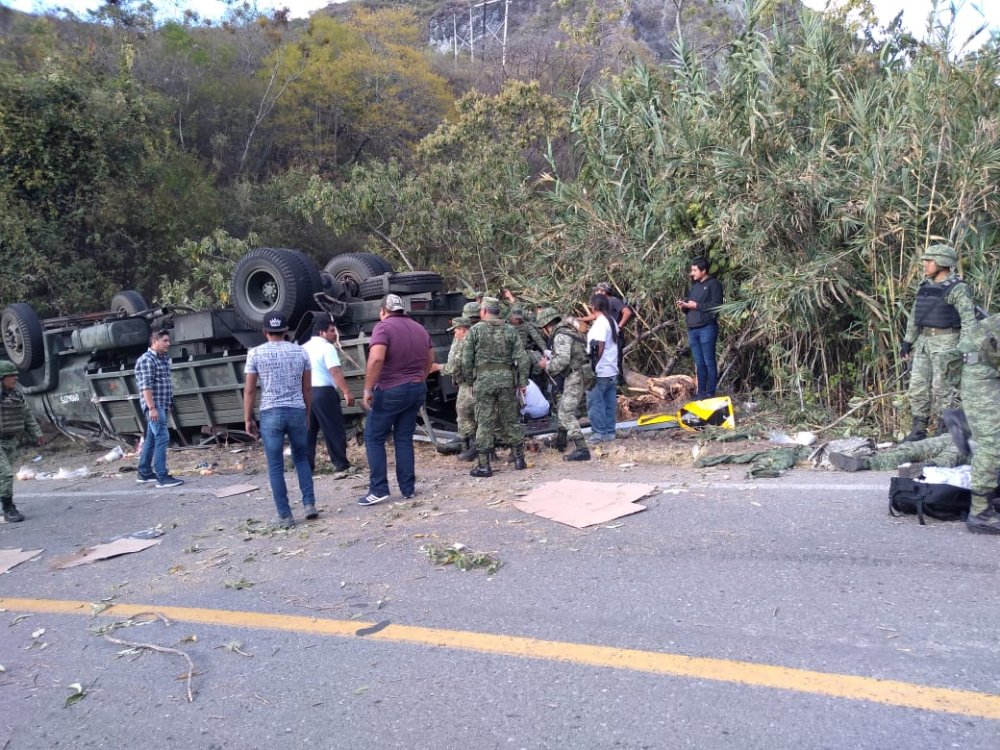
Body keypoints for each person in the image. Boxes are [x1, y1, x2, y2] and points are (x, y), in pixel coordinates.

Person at [358, 294, 434, 505]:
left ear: (383, 311)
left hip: (391, 390)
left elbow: (376, 358)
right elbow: (431, 358)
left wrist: (367, 389)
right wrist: (421, 377)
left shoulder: (383, 328)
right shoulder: (419, 328)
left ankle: (379, 488)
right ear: (402, 309)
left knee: (374, 437)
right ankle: (408, 488)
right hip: (416, 389)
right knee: (403, 438)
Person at [243, 314, 315, 527]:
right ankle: (309, 504)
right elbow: (307, 388)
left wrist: (247, 418)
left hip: (270, 412)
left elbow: (249, 391)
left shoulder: (255, 353)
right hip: (296, 410)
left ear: (265, 332)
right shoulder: (301, 351)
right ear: (286, 331)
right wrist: (308, 412)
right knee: (301, 458)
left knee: (275, 465)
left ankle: (285, 515)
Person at [899, 244, 976, 442]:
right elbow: (915, 317)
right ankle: (918, 429)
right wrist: (908, 342)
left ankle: (945, 430)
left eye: (929, 261)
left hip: (947, 343)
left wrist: (962, 350)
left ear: (943, 263)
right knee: (917, 387)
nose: (925, 264)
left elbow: (969, 322)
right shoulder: (924, 286)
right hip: (923, 343)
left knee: (943, 389)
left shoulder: (958, 289)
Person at [462, 296, 530, 477]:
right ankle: (519, 459)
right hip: (507, 380)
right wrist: (522, 382)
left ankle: (484, 466)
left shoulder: (475, 331)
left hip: (484, 381)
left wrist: (470, 382)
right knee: (511, 419)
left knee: (484, 422)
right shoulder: (510, 330)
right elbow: (522, 358)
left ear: (483, 311)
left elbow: (466, 360)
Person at [953, 314, 1000, 534]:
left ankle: (967, 425)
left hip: (990, 362)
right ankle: (980, 513)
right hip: (981, 369)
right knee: (994, 444)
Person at [302, 315, 355, 475]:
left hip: (307, 392)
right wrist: (346, 391)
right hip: (324, 392)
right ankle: (340, 464)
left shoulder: (302, 348)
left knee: (308, 431)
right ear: (322, 333)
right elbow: (335, 371)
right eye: (332, 331)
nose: (335, 334)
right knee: (333, 429)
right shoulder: (327, 348)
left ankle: (306, 466)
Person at [537, 309, 592, 461]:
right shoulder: (569, 331)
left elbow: (562, 361)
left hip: (575, 375)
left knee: (565, 413)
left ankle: (582, 449)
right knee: (563, 406)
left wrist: (546, 365)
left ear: (548, 326)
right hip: (578, 374)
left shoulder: (561, 335)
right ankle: (560, 441)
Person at [135, 329, 183, 488]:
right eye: (165, 341)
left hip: (161, 404)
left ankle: (145, 473)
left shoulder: (162, 358)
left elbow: (164, 383)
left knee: (152, 438)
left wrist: (167, 404)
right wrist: (152, 408)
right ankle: (162, 477)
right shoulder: (147, 360)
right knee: (162, 437)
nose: (168, 344)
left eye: (168, 341)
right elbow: (146, 387)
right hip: (154, 406)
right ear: (155, 342)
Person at [0, 360, 43, 522]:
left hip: (10, 441)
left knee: (2, 476)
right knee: (5, 474)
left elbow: (27, 416)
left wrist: (36, 433)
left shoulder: (16, 395)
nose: (15, 379)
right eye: (11, 377)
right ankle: (8, 508)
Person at [676, 257, 723, 399]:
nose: (692, 273)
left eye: (695, 270)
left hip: (707, 328)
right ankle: (700, 392)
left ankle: (710, 392)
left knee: (709, 361)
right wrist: (684, 306)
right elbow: (691, 307)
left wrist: (696, 306)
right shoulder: (695, 286)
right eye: (692, 270)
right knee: (699, 362)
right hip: (692, 328)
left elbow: (716, 306)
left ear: (703, 270)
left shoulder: (714, 284)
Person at [437, 315, 477, 461]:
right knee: (463, 412)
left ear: (463, 329)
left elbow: (457, 365)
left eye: (456, 330)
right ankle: (464, 442)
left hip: (470, 383)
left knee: (466, 413)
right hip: (467, 382)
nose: (455, 334)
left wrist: (438, 367)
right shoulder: (467, 340)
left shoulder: (468, 342)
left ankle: (471, 447)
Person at [827, 434, 965, 472]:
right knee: (913, 448)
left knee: (955, 453)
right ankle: (863, 462)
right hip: (964, 433)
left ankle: (925, 469)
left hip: (983, 443)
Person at [586, 294, 619, 444]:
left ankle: (598, 433)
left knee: (596, 403)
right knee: (609, 403)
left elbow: (599, 346)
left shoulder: (600, 323)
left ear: (594, 306)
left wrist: (592, 366)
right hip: (611, 368)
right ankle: (609, 432)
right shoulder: (611, 321)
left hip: (601, 370)